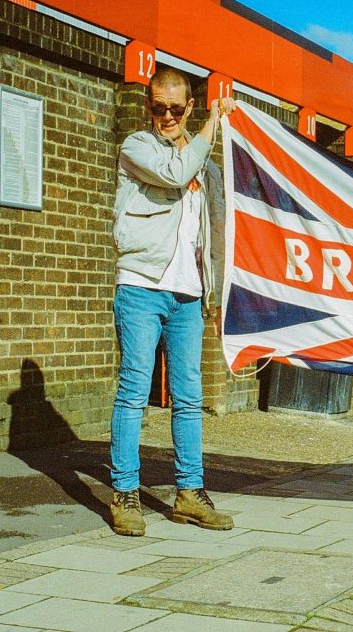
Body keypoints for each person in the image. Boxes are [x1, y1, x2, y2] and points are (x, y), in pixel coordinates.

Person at [109, 66, 237, 537]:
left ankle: (189, 493)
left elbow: (218, 232)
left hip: (188, 294)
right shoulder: (137, 148)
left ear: (188, 106)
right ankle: (124, 493)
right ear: (148, 106)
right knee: (134, 391)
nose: (166, 116)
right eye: (158, 107)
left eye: (176, 108)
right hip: (141, 285)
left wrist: (218, 294)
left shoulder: (209, 167)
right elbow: (175, 171)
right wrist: (212, 124)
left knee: (189, 397)